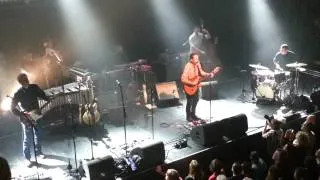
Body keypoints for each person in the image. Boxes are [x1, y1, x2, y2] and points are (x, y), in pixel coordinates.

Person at [11, 73, 50, 166]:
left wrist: (47, 98)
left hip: (36, 114)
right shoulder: (18, 93)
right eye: (23, 80)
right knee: (28, 138)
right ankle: (27, 158)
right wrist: (21, 114)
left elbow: (42, 95)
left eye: (26, 79)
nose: (26, 81)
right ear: (20, 82)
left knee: (38, 134)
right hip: (26, 117)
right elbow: (12, 108)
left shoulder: (34, 87)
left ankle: (39, 153)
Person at [181, 53, 220, 122]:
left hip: (195, 85)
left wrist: (209, 74)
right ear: (191, 59)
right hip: (189, 87)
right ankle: (188, 116)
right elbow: (183, 79)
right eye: (196, 59)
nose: (197, 60)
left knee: (196, 100)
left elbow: (201, 72)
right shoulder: (188, 66)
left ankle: (193, 114)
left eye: (198, 58)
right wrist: (193, 83)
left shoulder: (197, 64)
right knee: (189, 102)